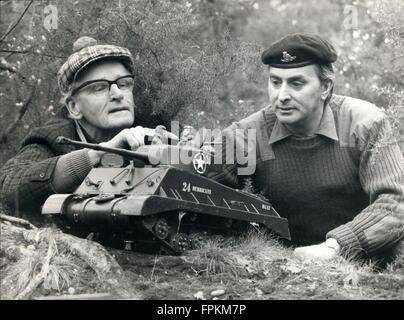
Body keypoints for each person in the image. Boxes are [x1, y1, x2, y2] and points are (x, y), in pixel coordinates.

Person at [207, 33, 404, 261]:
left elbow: (396, 203)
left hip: (364, 265)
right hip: (281, 267)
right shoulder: (247, 135)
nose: (282, 96)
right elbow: (195, 178)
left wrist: (336, 247)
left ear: (325, 87)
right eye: (275, 82)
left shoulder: (364, 123)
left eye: (296, 83)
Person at [0, 36, 176, 216]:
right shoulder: (53, 137)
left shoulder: (152, 128)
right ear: (74, 107)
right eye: (99, 88)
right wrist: (98, 153)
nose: (118, 94)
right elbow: (9, 186)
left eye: (124, 84)